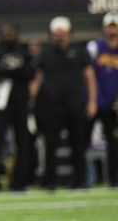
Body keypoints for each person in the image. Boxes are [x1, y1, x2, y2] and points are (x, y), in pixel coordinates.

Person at [30, 16, 96, 190]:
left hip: (75, 105)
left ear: (69, 34)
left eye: (63, 33)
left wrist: (92, 101)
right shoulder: (46, 53)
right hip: (51, 106)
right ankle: (50, 181)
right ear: (52, 35)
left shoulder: (80, 51)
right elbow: (38, 78)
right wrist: (31, 103)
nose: (60, 37)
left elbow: (89, 76)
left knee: (78, 144)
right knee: (51, 144)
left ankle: (80, 181)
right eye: (57, 34)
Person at [0, 23, 36, 191]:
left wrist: (8, 71)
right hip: (0, 104)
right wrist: (15, 70)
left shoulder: (24, 53)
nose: (8, 37)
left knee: (23, 142)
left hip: (21, 104)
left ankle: (20, 182)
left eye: (11, 33)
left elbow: (30, 73)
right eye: (5, 34)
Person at [88, 13, 118, 187]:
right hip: (97, 102)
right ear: (104, 28)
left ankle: (113, 179)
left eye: (115, 26)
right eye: (110, 26)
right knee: (82, 140)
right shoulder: (95, 47)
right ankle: (81, 180)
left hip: (113, 104)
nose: (112, 29)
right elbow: (88, 74)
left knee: (113, 143)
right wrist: (91, 100)